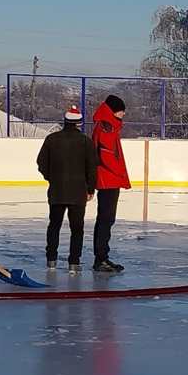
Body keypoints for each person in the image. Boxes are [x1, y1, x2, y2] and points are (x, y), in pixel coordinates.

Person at [37, 106, 98, 273]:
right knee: (77, 228)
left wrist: (52, 178)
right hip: (78, 191)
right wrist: (90, 188)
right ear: (79, 123)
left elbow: (41, 163)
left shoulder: (51, 139)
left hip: (57, 191)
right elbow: (92, 168)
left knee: (54, 225)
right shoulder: (86, 142)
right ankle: (74, 262)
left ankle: (51, 260)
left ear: (65, 121)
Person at [91, 95, 130, 272]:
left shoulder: (108, 125)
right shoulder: (107, 126)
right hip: (108, 180)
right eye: (122, 110)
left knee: (106, 219)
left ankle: (102, 257)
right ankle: (101, 259)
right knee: (106, 219)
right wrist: (120, 173)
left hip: (109, 179)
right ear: (114, 110)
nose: (123, 114)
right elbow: (106, 155)